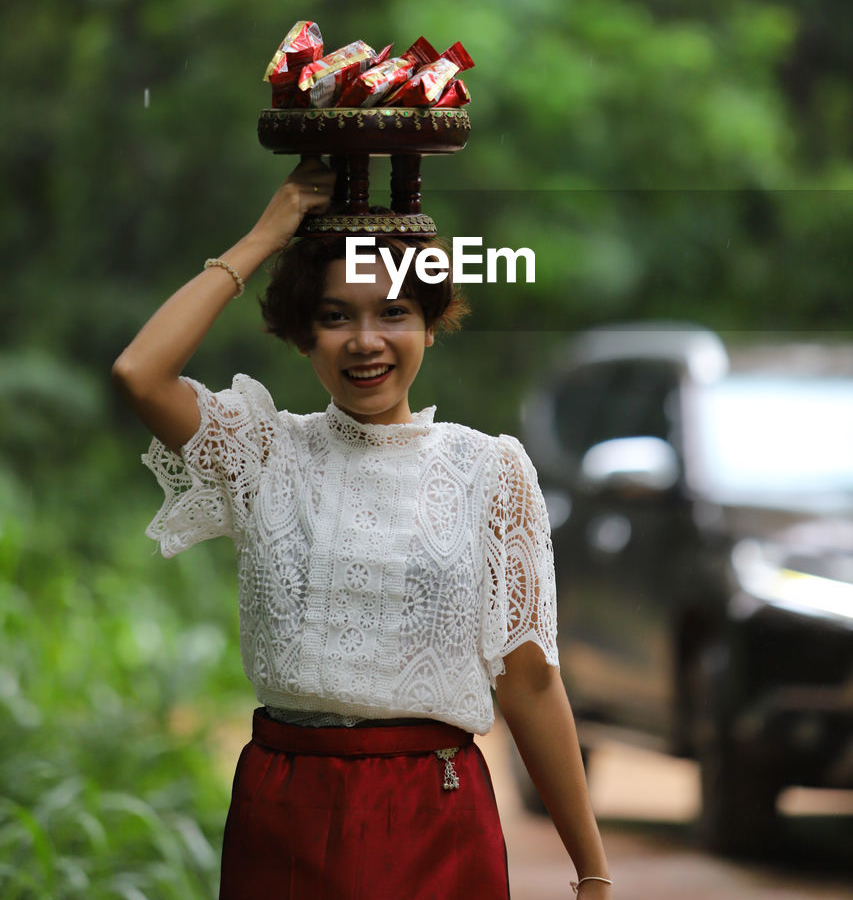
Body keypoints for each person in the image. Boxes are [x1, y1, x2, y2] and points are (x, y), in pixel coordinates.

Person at [112, 156, 612, 900]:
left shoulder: (491, 471)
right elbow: (139, 374)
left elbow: (532, 683)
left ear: (430, 327)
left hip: (434, 812)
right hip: (283, 808)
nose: (365, 341)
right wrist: (261, 236)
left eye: (393, 313)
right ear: (302, 335)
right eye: (335, 315)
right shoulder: (262, 452)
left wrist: (592, 872)